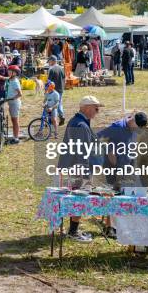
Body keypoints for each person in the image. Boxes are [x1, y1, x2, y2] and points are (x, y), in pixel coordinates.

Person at [57, 95, 104, 242]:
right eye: (96, 109)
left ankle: (73, 229)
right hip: (79, 169)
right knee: (79, 200)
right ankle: (73, 232)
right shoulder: (82, 125)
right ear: (88, 108)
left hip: (73, 167)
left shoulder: (77, 121)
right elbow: (82, 152)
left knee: (75, 199)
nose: (97, 112)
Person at [97, 112, 148, 188]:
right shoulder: (117, 127)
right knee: (115, 193)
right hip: (114, 168)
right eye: (138, 128)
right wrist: (109, 150)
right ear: (133, 121)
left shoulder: (133, 130)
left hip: (127, 168)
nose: (139, 131)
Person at [47, 55, 66, 126]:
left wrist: (47, 90)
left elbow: (49, 81)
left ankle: (52, 120)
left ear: (53, 61)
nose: (49, 62)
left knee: (52, 104)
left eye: (49, 61)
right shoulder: (61, 68)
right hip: (61, 88)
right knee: (59, 103)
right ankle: (61, 116)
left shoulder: (51, 69)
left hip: (53, 89)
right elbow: (64, 78)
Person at [6, 65, 22, 144]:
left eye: (10, 71)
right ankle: (15, 136)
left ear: (15, 73)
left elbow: (20, 94)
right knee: (13, 120)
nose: (8, 72)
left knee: (15, 120)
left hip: (14, 103)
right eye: (8, 71)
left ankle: (16, 138)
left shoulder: (15, 81)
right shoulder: (11, 80)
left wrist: (12, 98)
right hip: (11, 102)